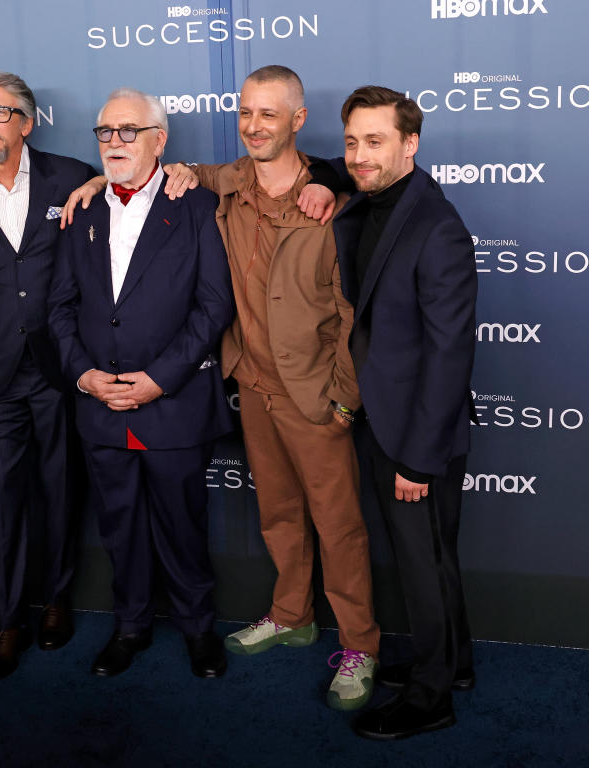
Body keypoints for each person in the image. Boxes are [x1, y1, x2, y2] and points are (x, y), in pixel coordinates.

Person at [62, 66, 380, 710]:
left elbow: (354, 311)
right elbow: (141, 171)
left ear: (297, 120)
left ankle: (361, 645)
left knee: (338, 525)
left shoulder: (332, 198)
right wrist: (98, 177)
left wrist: (346, 394)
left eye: (269, 114)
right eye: (245, 113)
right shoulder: (220, 186)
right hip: (255, 386)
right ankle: (292, 614)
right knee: (280, 515)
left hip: (315, 391)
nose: (254, 125)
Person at [48, 88, 234, 679]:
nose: (115, 143)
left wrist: (159, 380)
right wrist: (83, 375)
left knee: (182, 525)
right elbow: (60, 307)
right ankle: (130, 626)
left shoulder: (200, 207)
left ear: (160, 139)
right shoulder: (81, 212)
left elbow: (213, 306)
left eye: (129, 131)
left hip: (172, 405)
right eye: (105, 132)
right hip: (102, 407)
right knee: (120, 526)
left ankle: (199, 628)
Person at [333, 86, 477, 740]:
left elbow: (449, 354)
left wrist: (420, 457)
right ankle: (455, 663)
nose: (359, 156)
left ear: (411, 144)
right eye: (351, 141)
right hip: (385, 416)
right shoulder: (376, 202)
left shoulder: (435, 225)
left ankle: (431, 696)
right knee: (432, 556)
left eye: (376, 142)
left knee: (422, 561)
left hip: (418, 431)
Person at [0, 72, 96, 680]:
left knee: (59, 488)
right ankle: (9, 619)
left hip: (56, 367)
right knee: (4, 498)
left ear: (27, 123)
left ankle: (57, 598)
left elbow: (145, 184)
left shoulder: (73, 175)